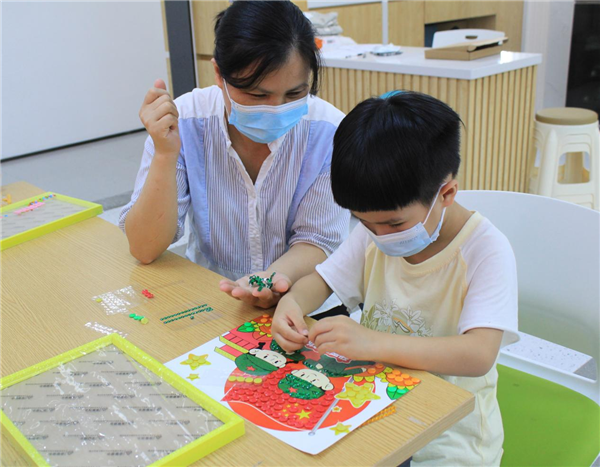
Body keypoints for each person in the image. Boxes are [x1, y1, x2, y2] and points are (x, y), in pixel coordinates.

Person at [271, 91, 519, 466]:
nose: (379, 234)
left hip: (450, 438)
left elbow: (478, 355)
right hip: (376, 409)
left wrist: (371, 342)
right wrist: (291, 304)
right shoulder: (374, 233)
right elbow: (320, 283)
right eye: (363, 221)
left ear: (447, 193)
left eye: (394, 223)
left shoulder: (485, 250)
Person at [119, 1, 348, 309]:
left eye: (295, 94)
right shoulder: (183, 123)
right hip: (211, 300)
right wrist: (164, 154)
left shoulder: (330, 132)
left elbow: (317, 241)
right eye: (257, 95)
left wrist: (267, 281)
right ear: (218, 73)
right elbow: (144, 248)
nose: (276, 109)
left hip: (301, 303)